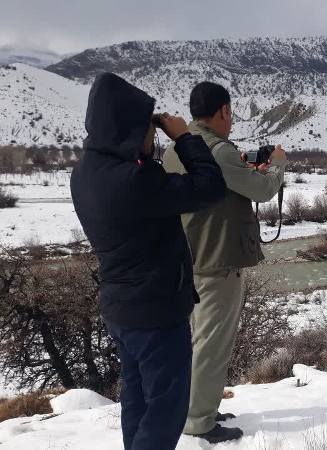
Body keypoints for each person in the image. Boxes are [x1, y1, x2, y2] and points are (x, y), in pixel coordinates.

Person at [70, 72, 226, 450]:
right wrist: (185, 138)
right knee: (166, 409)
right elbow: (210, 188)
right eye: (148, 129)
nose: (152, 137)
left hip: (122, 310)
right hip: (155, 312)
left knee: (138, 399)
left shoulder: (84, 173)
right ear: (127, 129)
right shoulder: (134, 181)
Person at [162, 81, 287, 443]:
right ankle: (199, 421)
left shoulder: (178, 148)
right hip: (217, 260)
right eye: (230, 113)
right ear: (224, 111)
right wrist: (277, 164)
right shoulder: (215, 149)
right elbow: (262, 189)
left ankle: (203, 407)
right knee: (212, 344)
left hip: (190, 257)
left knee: (199, 340)